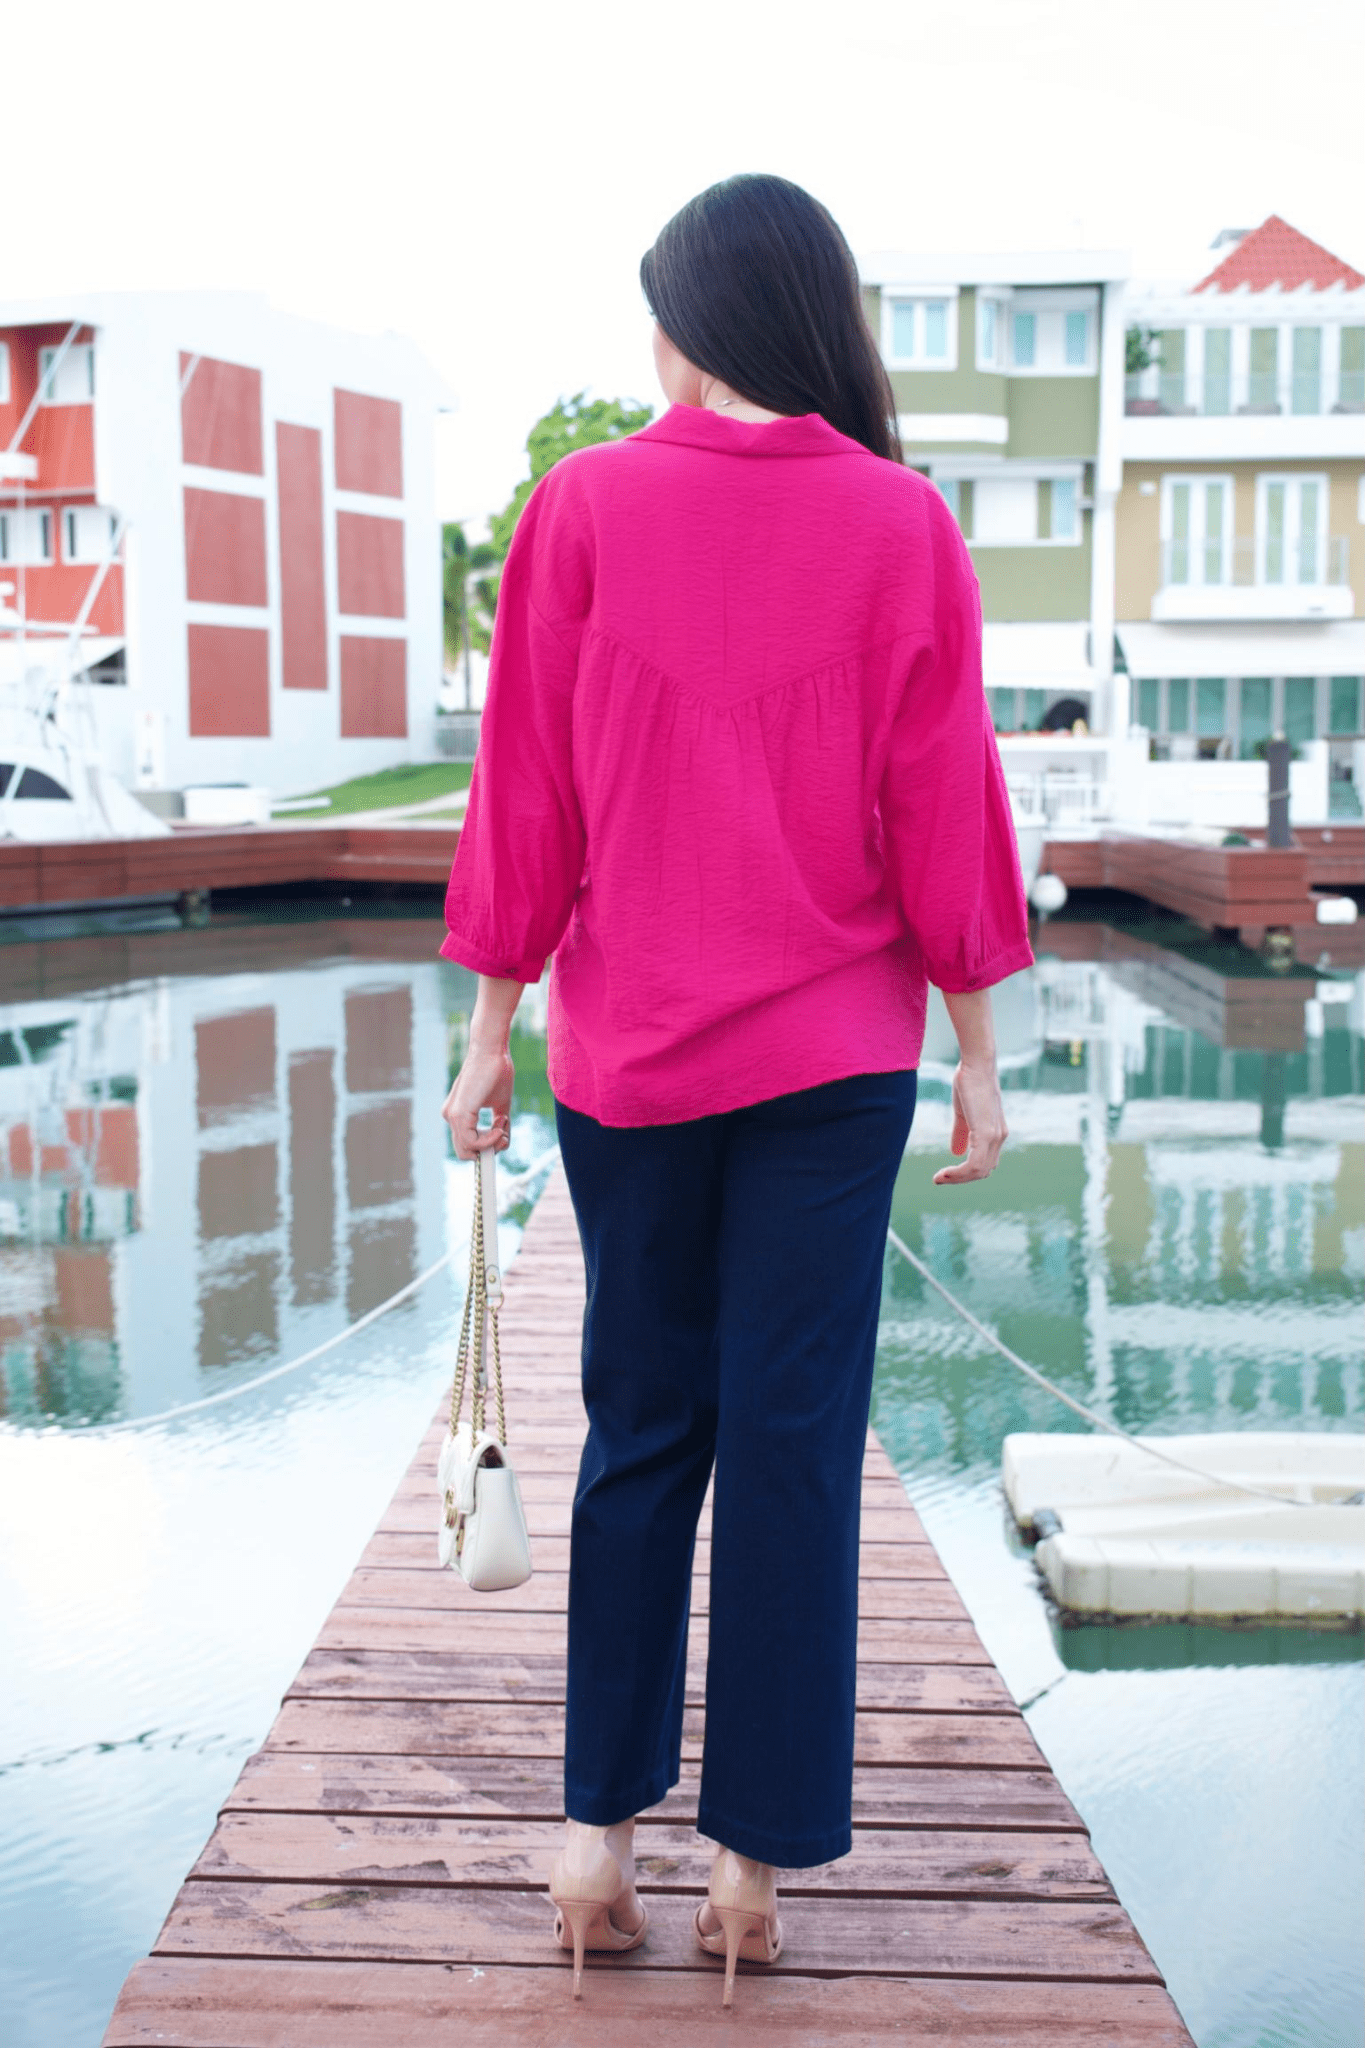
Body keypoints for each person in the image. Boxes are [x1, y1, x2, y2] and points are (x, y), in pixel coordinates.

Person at [439, 172, 1033, 2006]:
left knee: (641, 1430)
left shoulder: (581, 506)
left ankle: (594, 1843)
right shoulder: (903, 523)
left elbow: (525, 788)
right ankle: (753, 1870)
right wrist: (979, 1047)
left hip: (630, 1061)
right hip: (836, 1067)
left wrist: (487, 1024)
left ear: (694, 323)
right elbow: (946, 803)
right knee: (794, 1448)